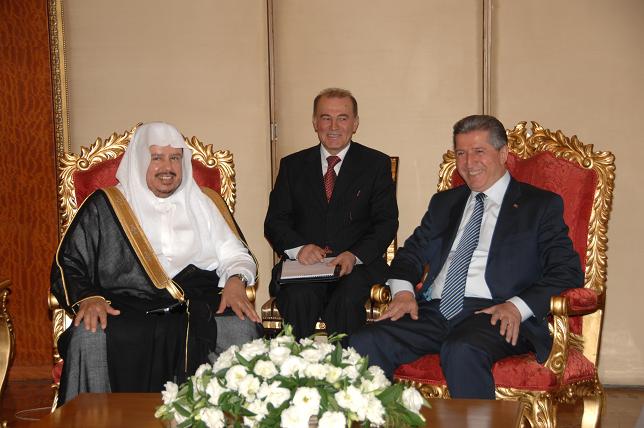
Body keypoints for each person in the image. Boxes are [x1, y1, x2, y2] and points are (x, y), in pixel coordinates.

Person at [350, 115, 583, 399]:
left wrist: (516, 307)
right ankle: (382, 417)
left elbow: (566, 270)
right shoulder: (444, 203)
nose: (469, 162)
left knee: (462, 349)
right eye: (461, 153)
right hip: (434, 311)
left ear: (503, 154)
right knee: (365, 341)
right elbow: (410, 255)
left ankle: (475, 420)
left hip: (496, 313)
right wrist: (403, 293)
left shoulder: (539, 206)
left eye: (479, 151)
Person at [51, 122, 261, 405]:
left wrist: (236, 280)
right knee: (89, 335)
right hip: (125, 309)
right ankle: (95, 419)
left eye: (175, 158)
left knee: (242, 329)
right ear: (139, 160)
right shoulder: (105, 205)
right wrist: (88, 298)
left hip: (193, 306)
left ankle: (225, 418)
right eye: (157, 157)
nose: (168, 167)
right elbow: (69, 262)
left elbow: (237, 255)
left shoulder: (203, 203)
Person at [264, 88, 398, 340]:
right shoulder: (292, 166)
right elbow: (275, 221)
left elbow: (386, 223)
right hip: (304, 269)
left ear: (355, 123)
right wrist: (299, 248)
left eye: (342, 118)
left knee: (347, 300)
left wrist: (354, 255)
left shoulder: (375, 164)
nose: (334, 126)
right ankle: (295, 364)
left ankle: (347, 366)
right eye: (326, 118)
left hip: (357, 269)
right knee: (297, 297)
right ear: (315, 123)